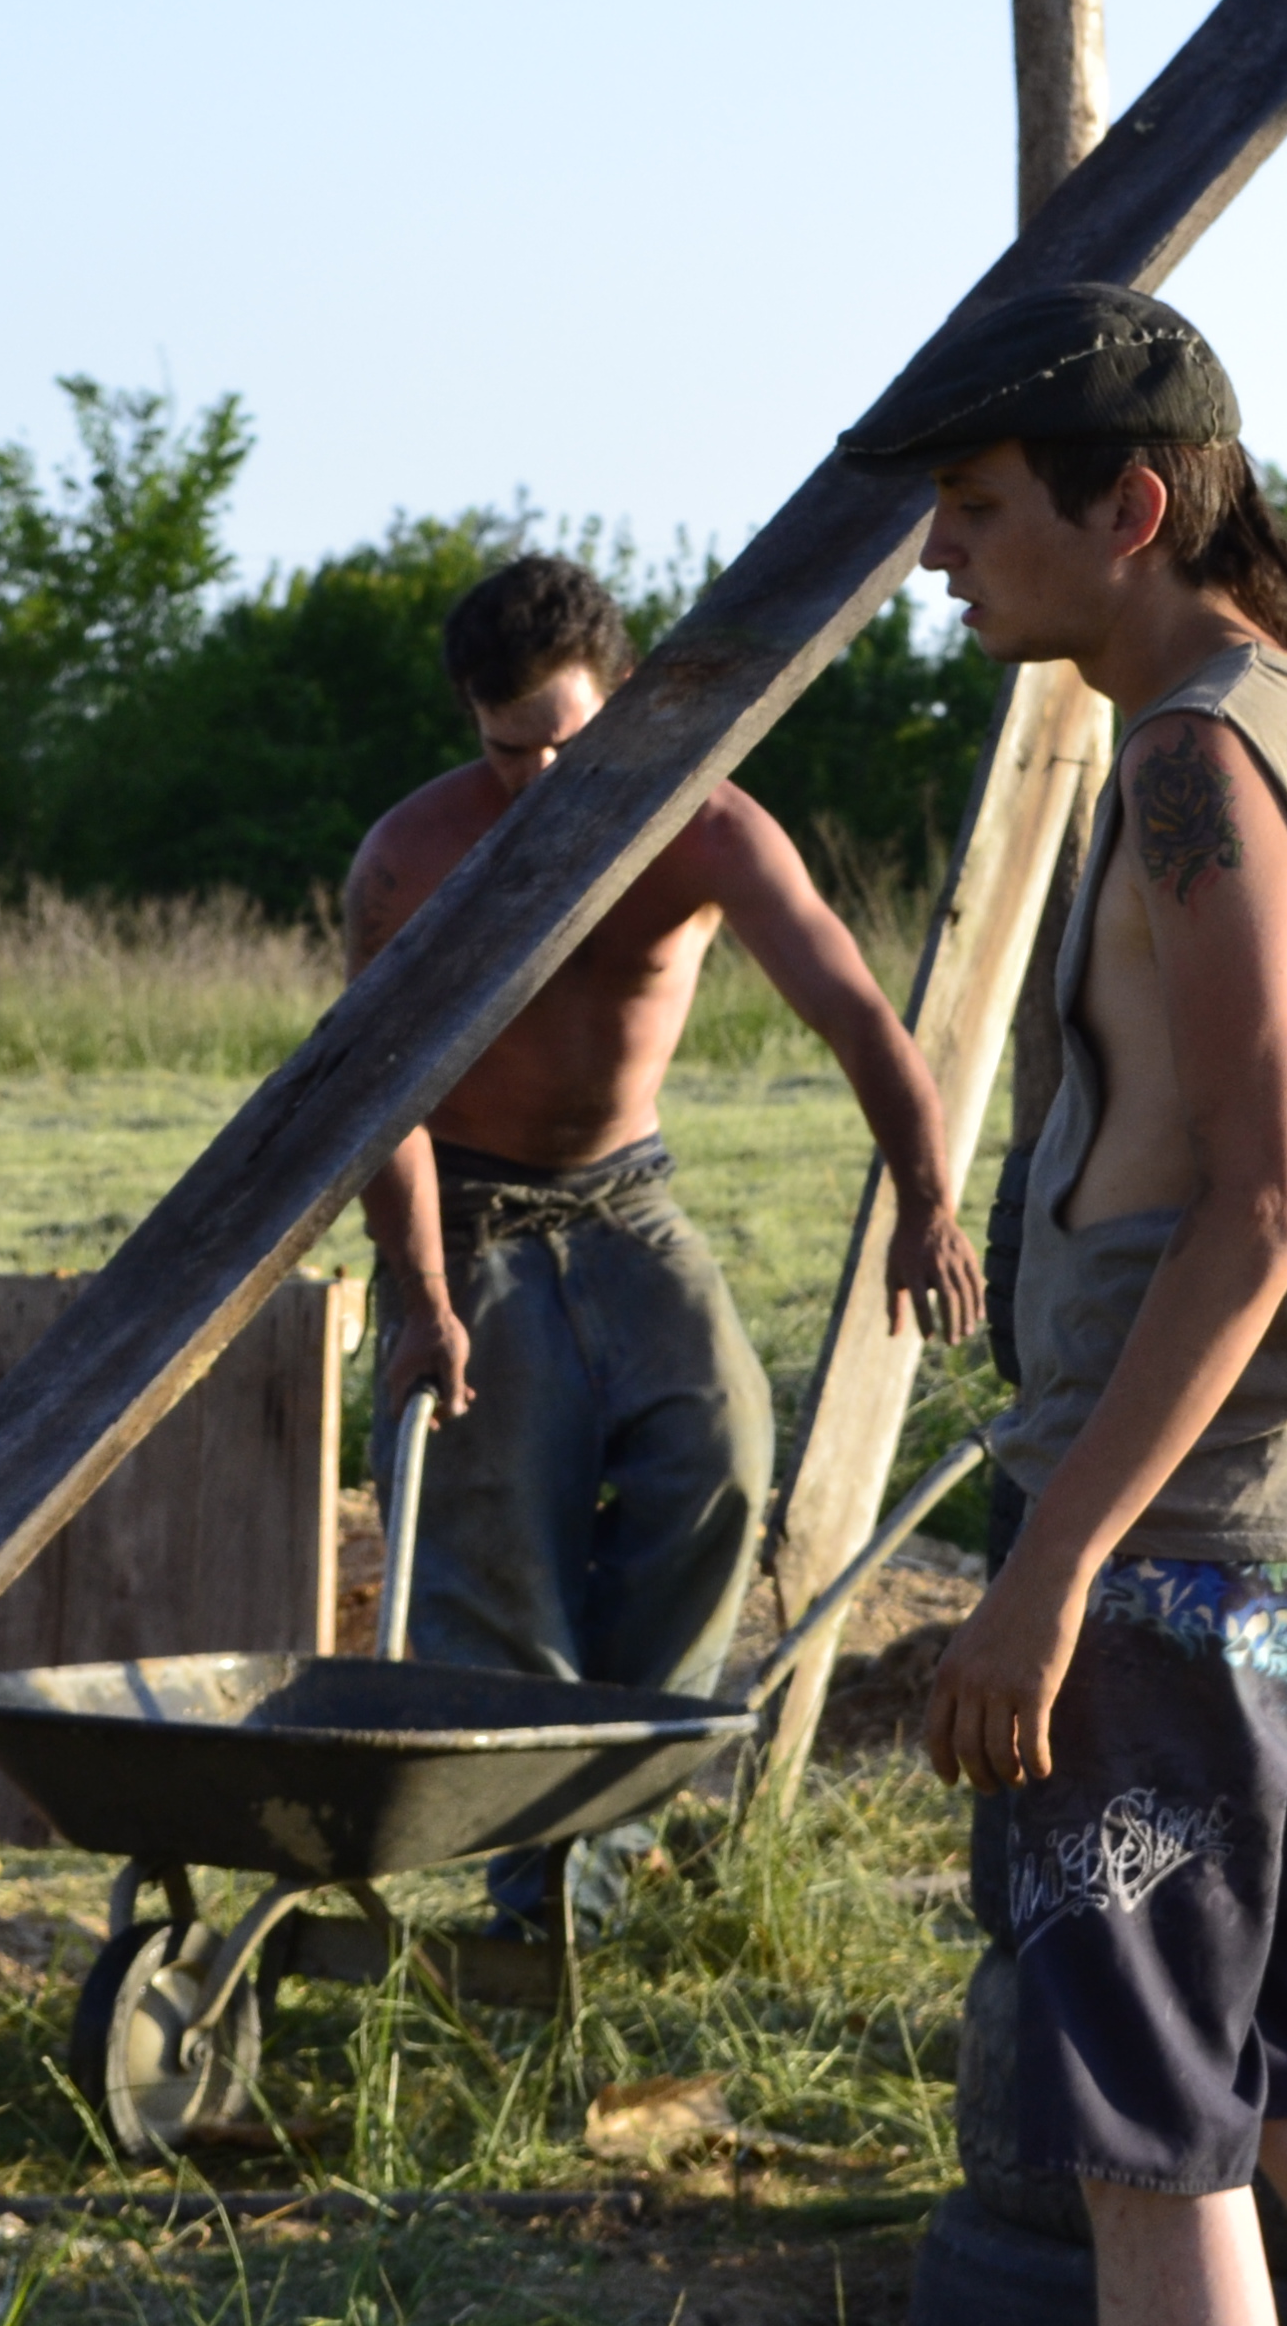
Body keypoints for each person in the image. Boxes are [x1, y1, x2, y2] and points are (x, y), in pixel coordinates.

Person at [849, 282, 1287, 2326]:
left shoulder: (1202, 759)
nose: (939, 554)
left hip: (1179, 1551)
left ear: (1129, 509)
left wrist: (1051, 1568)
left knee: (1151, 2144)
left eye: (976, 505)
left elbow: (1265, 1209)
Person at [347, 552, 979, 1939]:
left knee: (722, 1451)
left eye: (567, 741)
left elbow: (858, 1017)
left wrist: (927, 1201)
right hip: (468, 1207)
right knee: (490, 1521)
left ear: (626, 697)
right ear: (471, 721)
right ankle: (536, 1889)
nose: (540, 775)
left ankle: (610, 1822)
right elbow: (378, 1097)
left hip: (625, 1198)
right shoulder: (411, 857)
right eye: (507, 749)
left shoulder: (709, 831)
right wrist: (423, 1295)